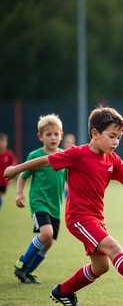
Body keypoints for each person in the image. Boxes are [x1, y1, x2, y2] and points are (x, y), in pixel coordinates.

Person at [4, 105, 123, 306]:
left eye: (119, 137)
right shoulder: (77, 154)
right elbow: (45, 161)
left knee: (101, 266)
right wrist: (16, 169)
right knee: (114, 248)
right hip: (79, 218)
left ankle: (64, 291)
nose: (116, 142)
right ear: (95, 133)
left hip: (96, 218)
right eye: (112, 136)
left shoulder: (112, 159)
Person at [13, 114, 66, 284]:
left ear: (62, 135)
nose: (53, 137)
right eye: (48, 134)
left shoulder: (65, 156)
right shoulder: (35, 155)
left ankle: (28, 273)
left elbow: (70, 180)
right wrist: (19, 193)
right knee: (46, 233)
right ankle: (22, 263)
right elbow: (23, 175)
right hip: (39, 203)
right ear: (40, 136)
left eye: (56, 134)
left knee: (48, 242)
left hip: (56, 207)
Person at [0, 132, 17, 210]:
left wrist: (12, 173)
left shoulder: (9, 154)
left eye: (4, 141)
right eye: (1, 141)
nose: (2, 143)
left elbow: (13, 163)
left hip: (4, 181)